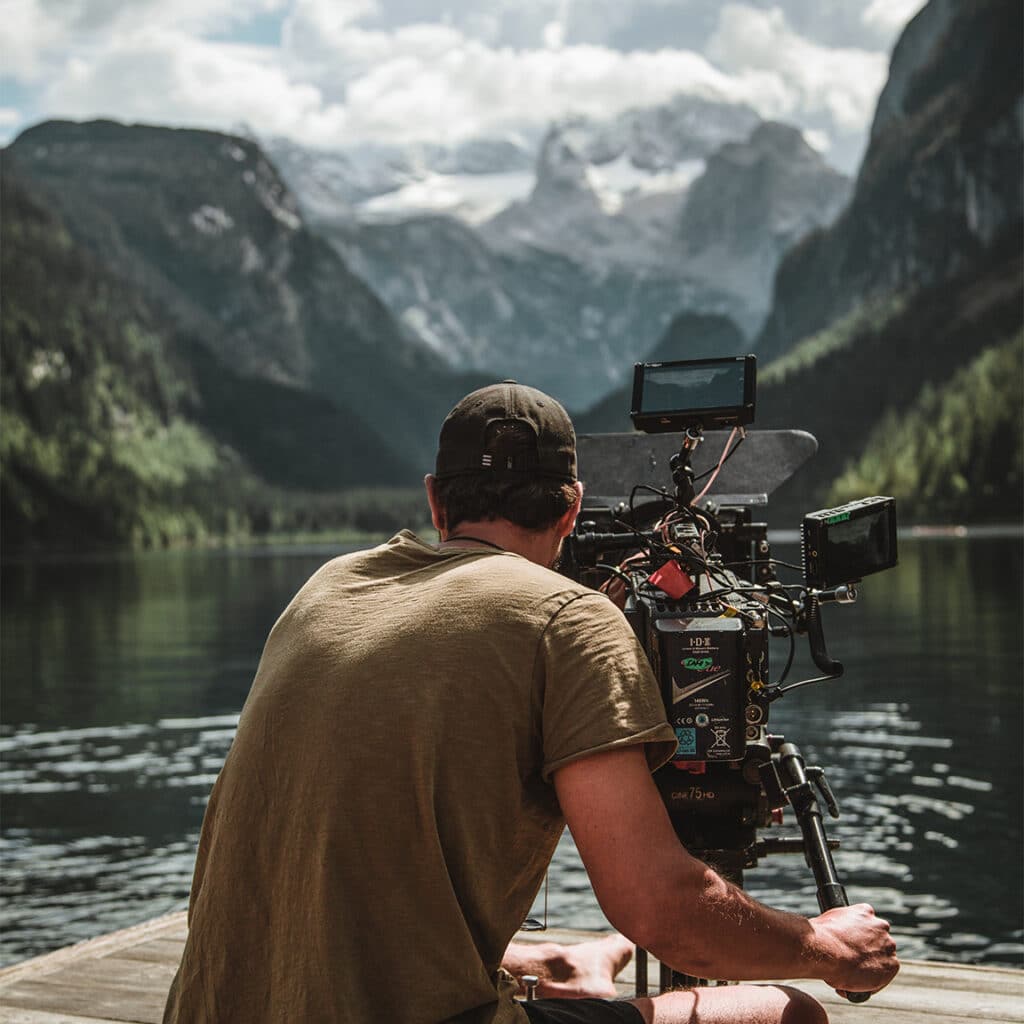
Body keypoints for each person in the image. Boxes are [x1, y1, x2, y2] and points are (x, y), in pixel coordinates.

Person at [163, 381, 898, 1023]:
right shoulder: (568, 619)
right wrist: (828, 946)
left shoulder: (327, 589)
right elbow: (663, 912)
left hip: (212, 1006)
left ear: (434, 498)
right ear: (572, 507)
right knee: (786, 1012)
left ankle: (557, 965)